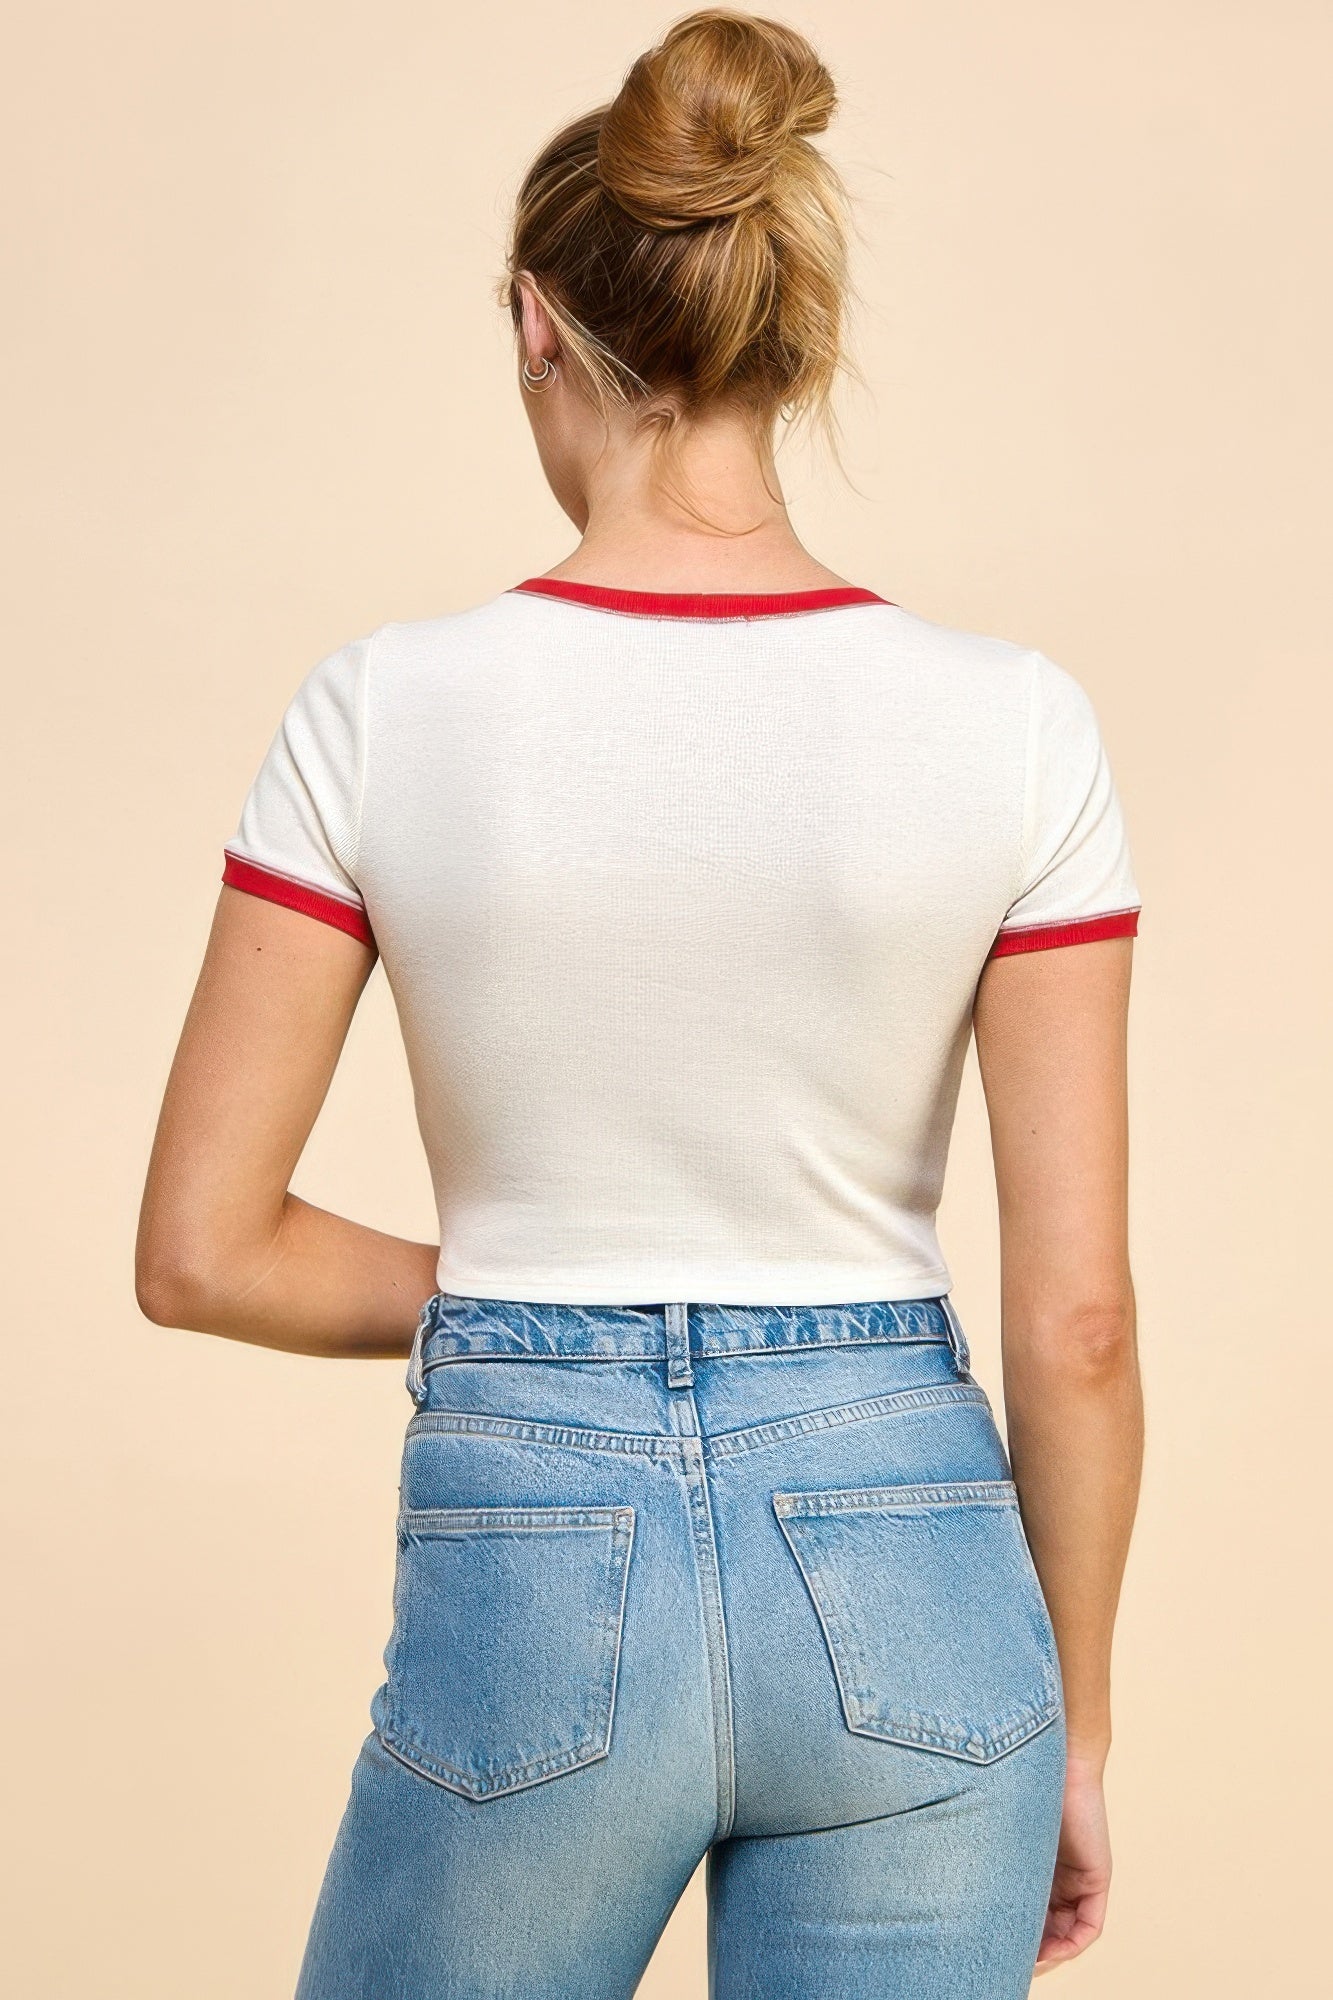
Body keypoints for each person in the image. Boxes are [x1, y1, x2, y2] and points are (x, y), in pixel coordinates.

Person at [135, 10, 1144, 1996]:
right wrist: (1078, 1735)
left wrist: (558, 1306)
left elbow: (202, 1250)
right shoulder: (1016, 726)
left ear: (537, 321)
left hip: (539, 1532)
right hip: (914, 1557)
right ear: (791, 330)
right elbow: (1079, 1327)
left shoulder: (381, 712)